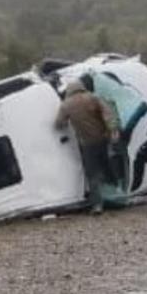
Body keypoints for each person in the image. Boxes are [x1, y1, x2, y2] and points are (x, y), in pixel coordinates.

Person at [55, 78, 120, 215]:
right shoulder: (93, 97)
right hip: (102, 138)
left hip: (87, 143)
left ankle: (97, 205)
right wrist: (113, 130)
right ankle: (117, 191)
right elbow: (108, 114)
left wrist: (67, 123)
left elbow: (59, 123)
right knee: (107, 164)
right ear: (82, 87)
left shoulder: (66, 105)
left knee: (92, 174)